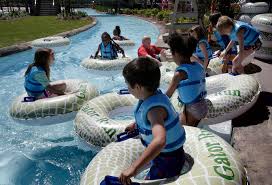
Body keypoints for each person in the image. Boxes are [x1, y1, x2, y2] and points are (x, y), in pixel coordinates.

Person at [119, 57, 186, 184]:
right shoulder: (155, 95)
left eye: (128, 85)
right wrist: (136, 124)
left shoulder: (154, 111)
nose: (128, 89)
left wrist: (134, 168)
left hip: (168, 159)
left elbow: (160, 140)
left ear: (138, 87)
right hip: (166, 154)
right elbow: (154, 122)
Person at [166, 32, 208, 127]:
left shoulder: (180, 74)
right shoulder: (198, 66)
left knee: (187, 130)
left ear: (176, 54)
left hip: (192, 110)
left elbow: (168, 95)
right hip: (202, 105)